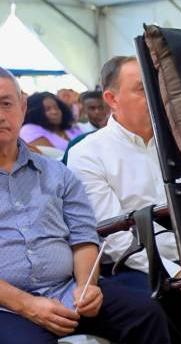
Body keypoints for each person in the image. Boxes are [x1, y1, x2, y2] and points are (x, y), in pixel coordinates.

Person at [0, 66, 170, 343]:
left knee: (146, 314)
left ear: (22, 106)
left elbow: (83, 236)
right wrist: (27, 305)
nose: (0, 115)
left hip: (68, 288)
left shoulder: (57, 173)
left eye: (6, 104)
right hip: (6, 306)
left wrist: (86, 286)